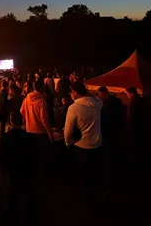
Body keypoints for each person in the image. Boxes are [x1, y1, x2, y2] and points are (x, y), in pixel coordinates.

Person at [65, 81, 104, 209]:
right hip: (98, 144)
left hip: (82, 146)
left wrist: (68, 143)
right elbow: (97, 96)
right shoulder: (98, 104)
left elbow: (68, 130)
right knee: (96, 174)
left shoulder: (74, 108)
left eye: (71, 91)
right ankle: (98, 199)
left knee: (84, 176)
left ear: (75, 92)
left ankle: (87, 204)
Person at [0, 111, 39, 226]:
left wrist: (5, 170)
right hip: (27, 172)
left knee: (13, 197)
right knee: (29, 196)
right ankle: (31, 218)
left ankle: (13, 218)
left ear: (10, 122)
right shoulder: (29, 137)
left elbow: (0, 156)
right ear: (23, 121)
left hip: (12, 172)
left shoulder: (5, 138)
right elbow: (35, 154)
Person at [20, 80, 54, 150]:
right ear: (43, 88)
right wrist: (50, 134)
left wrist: (29, 120)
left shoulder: (26, 99)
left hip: (29, 130)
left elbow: (21, 111)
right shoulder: (42, 101)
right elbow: (44, 119)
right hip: (40, 132)